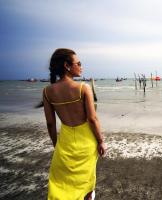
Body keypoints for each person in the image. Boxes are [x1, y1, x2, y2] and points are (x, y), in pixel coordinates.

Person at [43, 48, 106, 200]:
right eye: (79, 63)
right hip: (86, 141)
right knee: (87, 179)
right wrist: (101, 141)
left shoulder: (47, 91)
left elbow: (50, 123)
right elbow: (92, 119)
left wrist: (56, 145)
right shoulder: (83, 88)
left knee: (64, 183)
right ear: (67, 65)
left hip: (65, 141)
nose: (81, 66)